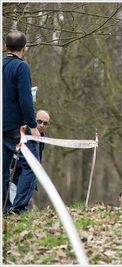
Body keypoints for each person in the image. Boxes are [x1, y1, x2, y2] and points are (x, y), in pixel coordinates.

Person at [2, 30, 41, 215]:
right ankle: (18, 208)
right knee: (32, 164)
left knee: (3, 169)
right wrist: (33, 126)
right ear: (24, 48)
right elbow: (26, 99)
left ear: (5, 47)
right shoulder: (21, 67)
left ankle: (4, 208)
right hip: (15, 128)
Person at [10, 110, 51, 205]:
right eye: (39, 121)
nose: (41, 125)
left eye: (45, 123)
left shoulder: (41, 139)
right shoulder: (22, 134)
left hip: (28, 181)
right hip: (14, 178)